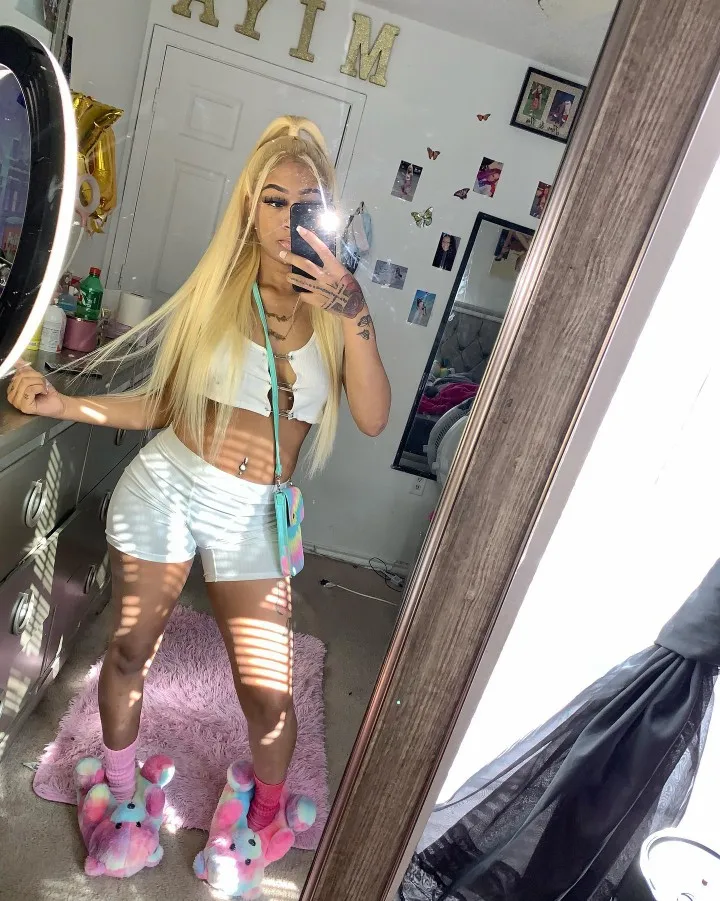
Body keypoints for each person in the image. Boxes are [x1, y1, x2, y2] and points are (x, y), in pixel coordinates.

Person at [7, 116, 390, 860]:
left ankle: (265, 818)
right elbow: (164, 405)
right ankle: (121, 793)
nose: (286, 218)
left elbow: (373, 418)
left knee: (268, 693)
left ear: (327, 214)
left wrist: (354, 307)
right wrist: (65, 404)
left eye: (305, 204)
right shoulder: (218, 293)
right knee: (129, 651)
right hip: (168, 488)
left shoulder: (338, 310)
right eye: (272, 200)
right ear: (250, 206)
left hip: (253, 515)